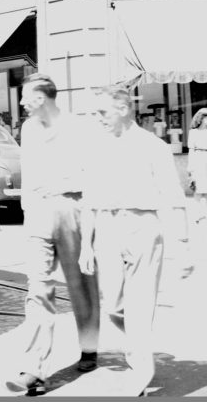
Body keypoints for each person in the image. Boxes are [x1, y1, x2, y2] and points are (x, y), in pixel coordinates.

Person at [79, 85, 189, 395]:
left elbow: (174, 196)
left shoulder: (152, 146)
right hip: (108, 228)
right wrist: (86, 244)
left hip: (143, 227)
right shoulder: (98, 147)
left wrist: (183, 246)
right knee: (113, 306)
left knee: (140, 306)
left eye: (103, 112)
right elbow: (89, 198)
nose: (98, 119)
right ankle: (137, 354)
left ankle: (140, 372)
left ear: (124, 109)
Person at [6, 73, 100, 396]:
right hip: (38, 212)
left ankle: (89, 345)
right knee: (38, 288)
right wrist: (28, 208)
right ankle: (34, 369)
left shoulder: (78, 128)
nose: (20, 103)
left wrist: (87, 240)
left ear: (42, 99)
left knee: (81, 284)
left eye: (26, 97)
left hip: (72, 207)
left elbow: (92, 180)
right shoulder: (28, 129)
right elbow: (29, 171)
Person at [187, 108, 207, 226]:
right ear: (202, 118)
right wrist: (190, 168)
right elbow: (191, 151)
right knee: (198, 190)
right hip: (198, 160)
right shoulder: (193, 132)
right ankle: (196, 214)